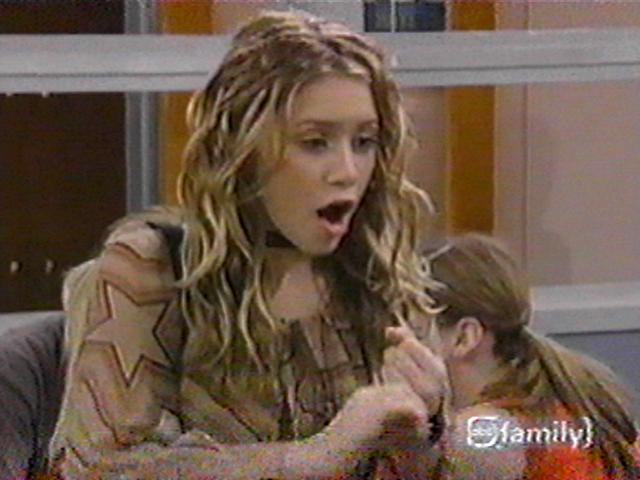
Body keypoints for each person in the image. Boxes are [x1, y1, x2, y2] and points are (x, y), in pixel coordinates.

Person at [48, 9, 448, 479]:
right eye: (315, 142)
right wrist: (316, 456)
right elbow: (99, 467)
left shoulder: (383, 278)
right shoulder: (152, 267)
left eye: (364, 142)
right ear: (245, 150)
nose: (347, 171)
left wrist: (429, 431)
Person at [395, 233, 640, 479]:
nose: (396, 350)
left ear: (464, 337)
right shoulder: (560, 398)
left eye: (415, 332)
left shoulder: (481, 435)